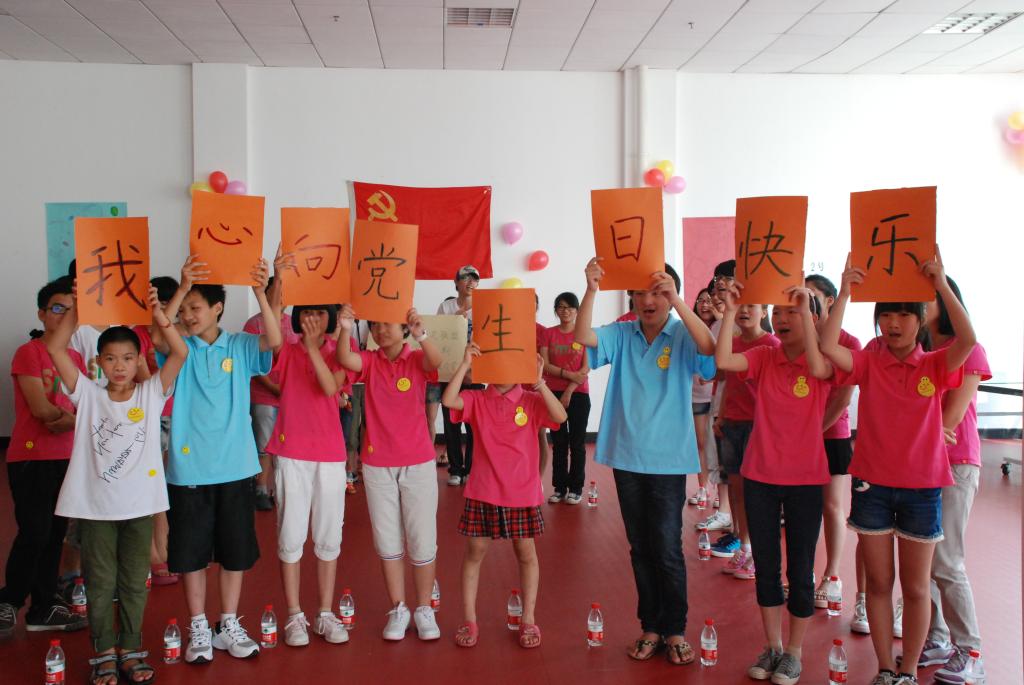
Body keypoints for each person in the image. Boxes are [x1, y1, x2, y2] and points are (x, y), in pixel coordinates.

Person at [820, 249, 976, 685]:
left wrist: (941, 284)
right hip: (871, 486)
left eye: (905, 314)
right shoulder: (870, 362)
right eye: (886, 315)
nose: (893, 323)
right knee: (878, 583)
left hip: (922, 490)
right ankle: (886, 668)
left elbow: (968, 341)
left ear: (921, 318)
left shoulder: (934, 364)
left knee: (917, 587)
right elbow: (828, 347)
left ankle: (908, 672)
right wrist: (844, 293)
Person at [575, 259, 715, 665]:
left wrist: (680, 302)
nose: (647, 300)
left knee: (667, 547)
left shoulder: (683, 334)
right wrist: (592, 289)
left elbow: (709, 349)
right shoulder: (622, 333)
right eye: (640, 293)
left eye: (657, 292)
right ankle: (650, 627)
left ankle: (675, 630)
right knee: (640, 547)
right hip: (627, 455)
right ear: (631, 298)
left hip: (668, 460)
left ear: (670, 296)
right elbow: (583, 336)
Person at [50, 286, 187, 685]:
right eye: (111, 358)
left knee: (133, 582)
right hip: (95, 508)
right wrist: (78, 308)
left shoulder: (150, 393)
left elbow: (180, 353)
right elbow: (56, 349)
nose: (120, 366)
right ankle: (104, 652)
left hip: (139, 507)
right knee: (99, 581)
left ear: (138, 359)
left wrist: (158, 312)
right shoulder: (88, 395)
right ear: (99, 362)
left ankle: (130, 648)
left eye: (128, 358)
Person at [156, 253, 283, 664]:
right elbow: (159, 336)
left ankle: (227, 623)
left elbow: (274, 340)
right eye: (184, 309)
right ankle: (198, 626)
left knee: (235, 551)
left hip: (235, 466)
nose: (188, 316)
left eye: (195, 307)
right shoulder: (180, 348)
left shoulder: (240, 345)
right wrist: (180, 289)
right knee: (190, 553)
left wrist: (260, 293)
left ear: (217, 308)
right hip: (189, 469)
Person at [716, 283, 833, 685]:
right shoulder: (765, 355)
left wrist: (811, 314)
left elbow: (818, 368)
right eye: (778, 312)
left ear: (811, 318)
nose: (781, 319)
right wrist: (729, 311)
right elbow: (724, 359)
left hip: (805, 480)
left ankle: (795, 652)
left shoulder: (821, 362)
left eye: (793, 311)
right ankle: (773, 647)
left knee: (800, 569)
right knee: (766, 567)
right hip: (760, 476)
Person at [442, 345, 565, 649]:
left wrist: (539, 381)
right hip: (483, 491)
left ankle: (528, 619)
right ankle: (469, 619)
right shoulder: (477, 399)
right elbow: (448, 400)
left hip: (522, 493)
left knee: (526, 554)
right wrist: (465, 364)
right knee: (474, 553)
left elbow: (560, 416)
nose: (504, 369)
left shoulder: (531, 400)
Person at [336, 306, 443, 642]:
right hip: (378, 463)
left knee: (422, 538)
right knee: (387, 540)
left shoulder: (416, 360)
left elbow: (436, 361)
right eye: (375, 325)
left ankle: (423, 608)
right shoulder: (370, 361)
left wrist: (422, 333)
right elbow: (345, 358)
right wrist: (345, 327)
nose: (380, 330)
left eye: (387, 324)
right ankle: (399, 608)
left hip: (418, 462)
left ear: (404, 328)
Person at [0, 277, 87, 636]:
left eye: (71, 310)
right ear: (42, 313)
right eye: (57, 308)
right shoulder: (29, 352)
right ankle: (9, 601)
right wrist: (72, 419)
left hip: (68, 458)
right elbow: (40, 409)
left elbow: (85, 410)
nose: (64, 316)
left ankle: (44, 606)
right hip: (31, 458)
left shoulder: (77, 358)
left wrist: (70, 420)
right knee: (35, 531)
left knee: (55, 534)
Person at [263, 304, 351, 647]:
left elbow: (329, 388)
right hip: (291, 453)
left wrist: (315, 348)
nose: (312, 318)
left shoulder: (340, 351)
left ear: (331, 317)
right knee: (290, 534)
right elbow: (273, 332)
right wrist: (264, 294)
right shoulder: (286, 349)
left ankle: (325, 613)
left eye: (320, 313)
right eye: (306, 312)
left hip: (329, 454)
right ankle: (294, 614)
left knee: (329, 535)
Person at [921, 276, 990, 684]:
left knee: (946, 561)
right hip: (920, 464)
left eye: (925, 297)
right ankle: (938, 637)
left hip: (957, 462)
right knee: (924, 559)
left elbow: (953, 416)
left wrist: (922, 434)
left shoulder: (969, 349)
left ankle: (971, 651)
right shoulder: (920, 351)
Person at [804, 274, 866, 625]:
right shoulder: (801, 336)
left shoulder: (849, 341)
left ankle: (832, 576)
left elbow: (843, 396)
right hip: (802, 436)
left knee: (831, 505)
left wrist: (815, 429)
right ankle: (805, 573)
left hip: (832, 435)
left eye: (812, 295)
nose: (806, 301)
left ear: (829, 300)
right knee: (804, 505)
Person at [713, 291, 779, 581]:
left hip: (758, 426)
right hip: (733, 423)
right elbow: (728, 382)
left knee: (756, 494)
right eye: (740, 306)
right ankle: (744, 545)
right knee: (737, 491)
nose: (744, 311)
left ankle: (756, 553)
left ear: (764, 312)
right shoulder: (734, 343)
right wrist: (722, 415)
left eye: (752, 306)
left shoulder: (772, 345)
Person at [132, 276, 181, 587]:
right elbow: (145, 381)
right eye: (159, 302)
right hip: (147, 417)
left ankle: (164, 551)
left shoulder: (176, 334)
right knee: (150, 487)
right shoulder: (135, 335)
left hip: (177, 415)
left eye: (168, 303)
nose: (163, 309)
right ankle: (152, 555)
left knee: (167, 488)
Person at [243, 276, 301, 511]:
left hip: (291, 398)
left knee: (288, 446)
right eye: (275, 292)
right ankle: (260, 489)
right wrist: (274, 387)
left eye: (284, 293)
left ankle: (282, 490)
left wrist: (291, 389)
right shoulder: (253, 325)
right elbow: (251, 364)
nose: (280, 297)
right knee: (264, 445)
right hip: (264, 395)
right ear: (265, 294)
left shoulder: (295, 323)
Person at [540, 292, 590, 504]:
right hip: (553, 394)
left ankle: (576, 489)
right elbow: (545, 364)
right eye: (561, 307)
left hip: (578, 393)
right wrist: (568, 374)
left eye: (570, 307)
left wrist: (569, 390)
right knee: (559, 442)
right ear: (556, 311)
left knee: (577, 443)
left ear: (577, 311)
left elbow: (585, 368)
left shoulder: (584, 334)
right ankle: (559, 488)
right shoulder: (548, 334)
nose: (565, 311)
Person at [438, 266, 480, 484]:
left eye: (474, 279)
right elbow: (439, 338)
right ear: (456, 283)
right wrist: (454, 321)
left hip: (475, 374)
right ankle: (455, 469)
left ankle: (472, 468)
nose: (470, 282)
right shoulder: (446, 307)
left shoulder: (484, 306)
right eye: (465, 278)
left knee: (474, 424)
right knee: (451, 422)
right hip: (450, 374)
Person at [688, 288, 716, 506]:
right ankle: (702, 489)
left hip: (718, 395)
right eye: (701, 300)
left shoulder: (722, 326)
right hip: (696, 395)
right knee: (701, 443)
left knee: (717, 445)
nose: (705, 304)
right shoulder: (690, 329)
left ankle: (720, 493)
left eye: (708, 300)